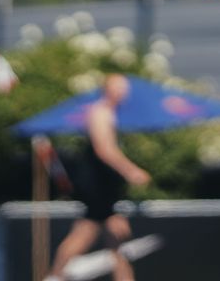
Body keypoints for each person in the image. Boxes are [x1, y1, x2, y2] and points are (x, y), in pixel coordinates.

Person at [44, 76, 149, 281]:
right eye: (119, 88)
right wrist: (131, 171)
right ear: (108, 89)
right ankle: (54, 276)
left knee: (116, 239)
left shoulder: (111, 113)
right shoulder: (100, 112)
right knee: (87, 233)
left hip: (105, 186)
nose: (123, 92)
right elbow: (104, 150)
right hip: (96, 186)